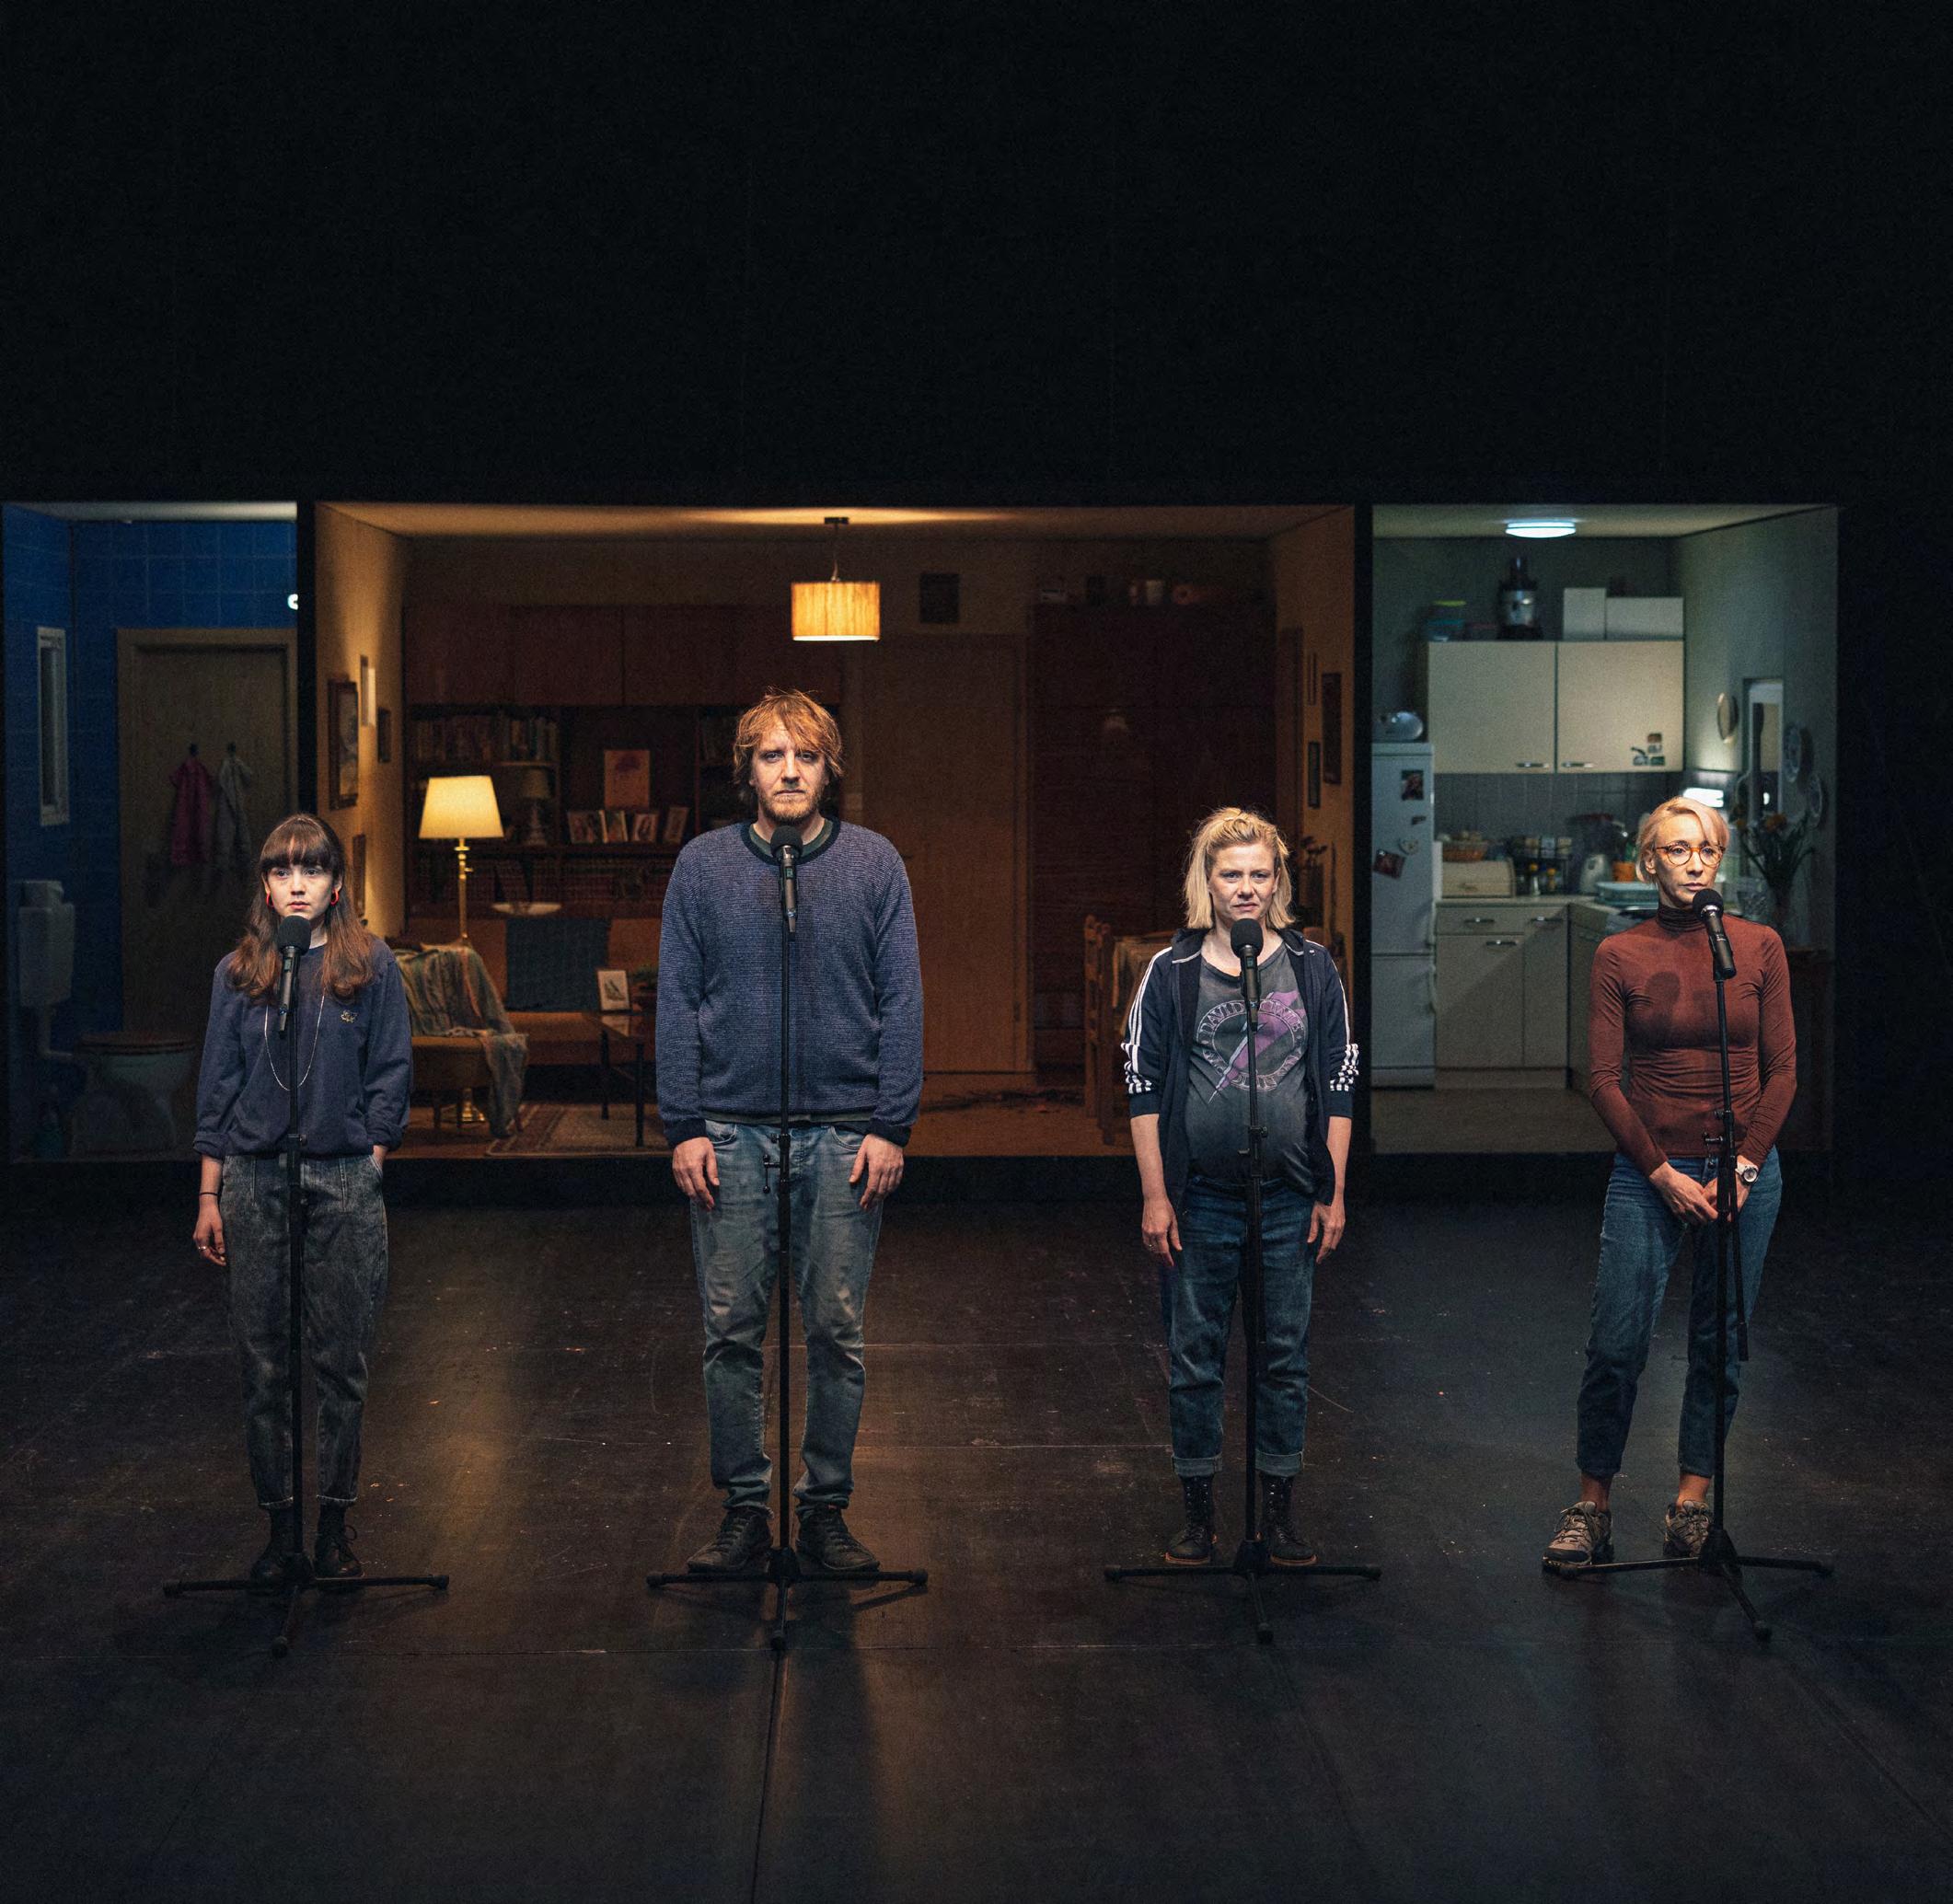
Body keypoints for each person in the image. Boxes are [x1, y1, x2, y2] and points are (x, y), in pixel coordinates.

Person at [657, 688, 922, 1575]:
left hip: (846, 1135)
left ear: (828, 769)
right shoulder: (702, 866)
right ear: (748, 769)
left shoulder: (875, 864)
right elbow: (676, 1000)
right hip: (728, 1131)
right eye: (772, 755)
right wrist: (683, 1122)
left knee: (837, 1332)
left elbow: (903, 1000)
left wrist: (891, 1123)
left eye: (806, 756)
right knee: (731, 1330)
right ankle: (743, 1510)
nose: (790, 771)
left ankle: (824, 1511)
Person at [1543, 796, 1796, 1573]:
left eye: (1707, 851)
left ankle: (1692, 1502)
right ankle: (1592, 1506)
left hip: (1744, 1170)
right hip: (1650, 1171)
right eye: (1678, 850)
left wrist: (1745, 1166)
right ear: (1649, 859)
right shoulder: (1620, 953)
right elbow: (1603, 1078)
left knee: (1721, 1341)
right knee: (1617, 1342)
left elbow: (1784, 1070)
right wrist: (1660, 1171)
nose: (1694, 863)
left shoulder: (1756, 946)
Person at [1123, 807, 1356, 1566]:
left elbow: (1339, 1083)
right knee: (1195, 1358)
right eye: (1232, 874)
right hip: (1201, 1201)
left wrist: (1333, 1189)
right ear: (1208, 881)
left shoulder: (1313, 968)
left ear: (1277, 879)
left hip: (1288, 1196)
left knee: (1283, 1357)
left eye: (1260, 873)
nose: (1246, 887)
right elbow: (1143, 1087)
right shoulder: (1173, 971)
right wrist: (1156, 1195)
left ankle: (1277, 1513)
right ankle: (1198, 1515)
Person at [191, 813, 411, 1585]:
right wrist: (210, 1192)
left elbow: (390, 1071)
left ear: (336, 885)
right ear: (265, 885)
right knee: (263, 1363)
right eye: (282, 871)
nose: (296, 885)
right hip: (254, 1178)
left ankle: (334, 1527)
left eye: (312, 870)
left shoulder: (370, 964)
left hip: (342, 1176)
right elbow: (218, 1088)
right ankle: (280, 1527)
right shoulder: (238, 973)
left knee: (341, 1359)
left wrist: (370, 1155)